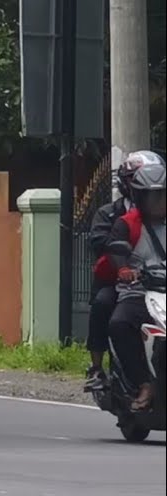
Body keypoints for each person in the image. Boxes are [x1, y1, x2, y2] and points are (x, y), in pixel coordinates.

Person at [86, 150, 165, 389]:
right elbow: (99, 243)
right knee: (104, 305)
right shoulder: (113, 214)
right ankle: (97, 367)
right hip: (121, 280)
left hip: (161, 285)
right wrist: (123, 263)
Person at [104, 159, 166, 412]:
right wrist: (125, 269)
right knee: (119, 324)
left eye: (162, 196)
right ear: (140, 197)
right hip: (139, 293)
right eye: (152, 197)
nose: (158, 202)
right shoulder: (127, 224)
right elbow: (114, 250)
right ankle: (144, 383)